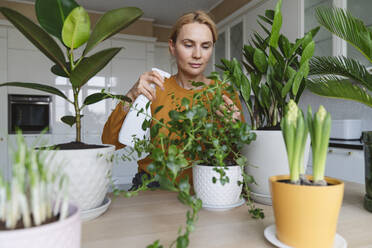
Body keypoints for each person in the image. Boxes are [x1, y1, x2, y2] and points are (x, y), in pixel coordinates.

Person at [102, 10, 243, 189]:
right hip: (153, 186)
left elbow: (239, 153)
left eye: (205, 46)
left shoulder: (223, 92)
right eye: (188, 44)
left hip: (207, 188)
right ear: (172, 47)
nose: (198, 54)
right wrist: (131, 95)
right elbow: (109, 141)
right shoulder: (156, 87)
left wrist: (236, 128)